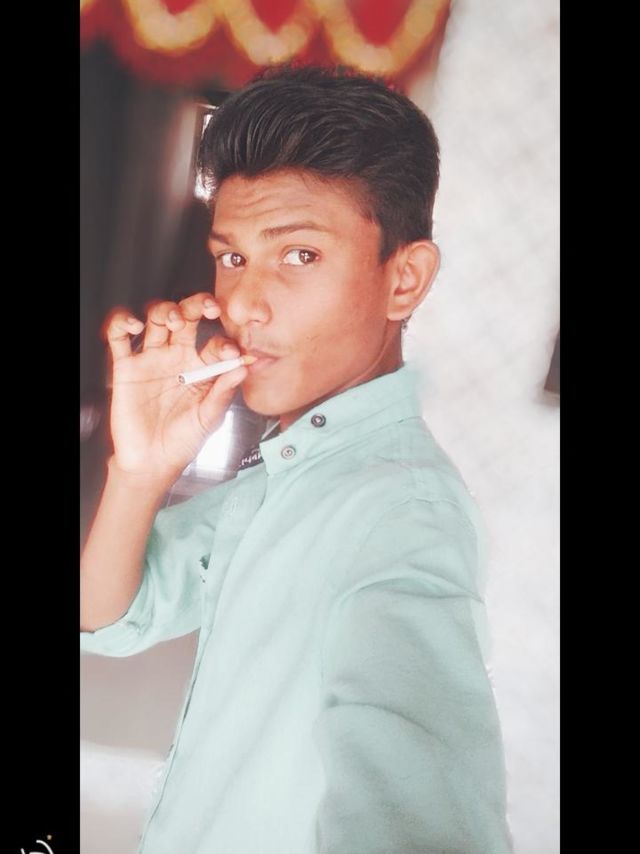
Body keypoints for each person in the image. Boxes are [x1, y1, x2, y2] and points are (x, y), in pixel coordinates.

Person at [80, 65, 512, 854]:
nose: (244, 304)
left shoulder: (401, 515)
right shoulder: (295, 470)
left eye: (301, 255)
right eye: (232, 258)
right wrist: (138, 473)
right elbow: (107, 620)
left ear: (404, 280)